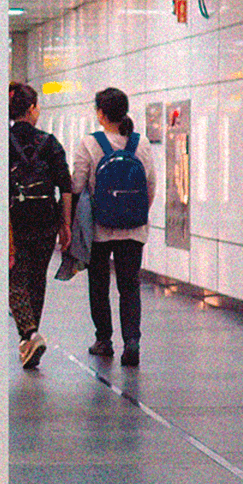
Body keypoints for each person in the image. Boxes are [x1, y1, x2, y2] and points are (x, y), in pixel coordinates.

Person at [71, 86, 155, 367]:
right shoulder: (141, 143)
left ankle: (103, 340)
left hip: (99, 228)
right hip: (133, 228)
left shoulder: (90, 144)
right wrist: (135, 213)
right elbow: (150, 185)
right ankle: (131, 341)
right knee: (129, 285)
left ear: (101, 113)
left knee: (99, 284)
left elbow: (77, 185)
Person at [8, 83, 72, 369]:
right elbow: (65, 186)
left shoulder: (2, 142)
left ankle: (30, 335)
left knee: (15, 278)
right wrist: (65, 224)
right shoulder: (49, 143)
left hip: (14, 220)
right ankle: (29, 338)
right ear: (31, 109)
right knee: (37, 278)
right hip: (46, 219)